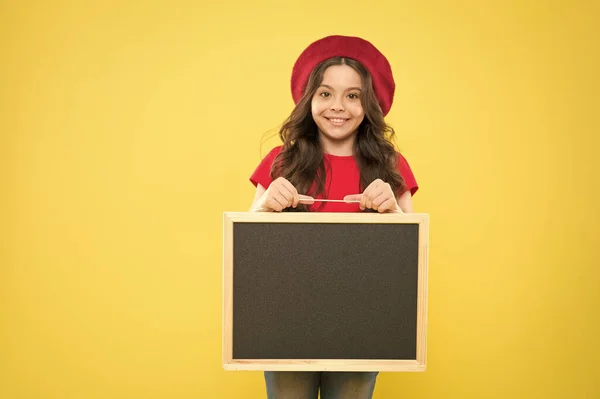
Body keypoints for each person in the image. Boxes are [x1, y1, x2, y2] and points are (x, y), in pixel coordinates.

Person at [248, 35, 419, 399]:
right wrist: (265, 208)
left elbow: (410, 264)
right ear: (309, 99)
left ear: (368, 103)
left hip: (363, 324)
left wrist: (393, 212)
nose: (337, 106)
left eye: (352, 95)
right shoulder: (281, 161)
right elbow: (246, 253)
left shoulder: (392, 167)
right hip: (286, 322)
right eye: (325, 94)